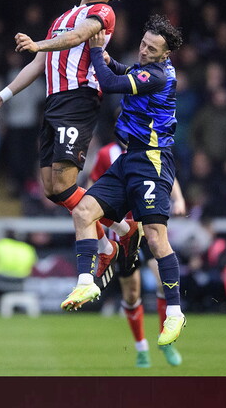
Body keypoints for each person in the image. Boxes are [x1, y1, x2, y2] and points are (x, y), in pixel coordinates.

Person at [0, 0, 133, 277]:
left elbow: (78, 37)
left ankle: (115, 237)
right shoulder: (61, 18)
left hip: (79, 99)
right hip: (54, 102)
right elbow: (37, 65)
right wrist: (2, 96)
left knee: (64, 182)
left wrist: (38, 43)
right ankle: (116, 238)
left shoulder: (103, 13)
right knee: (52, 189)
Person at [60, 14, 187, 349]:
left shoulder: (159, 75)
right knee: (84, 211)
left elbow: (113, 83)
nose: (144, 51)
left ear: (165, 55)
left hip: (152, 161)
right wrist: (106, 57)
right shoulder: (148, 68)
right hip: (130, 158)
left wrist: (97, 48)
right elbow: (124, 70)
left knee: (158, 239)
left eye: (152, 48)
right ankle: (87, 280)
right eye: (143, 44)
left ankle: (174, 311)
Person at [88, 137, 187, 368]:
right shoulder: (106, 154)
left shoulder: (151, 147)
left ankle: (166, 342)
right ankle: (141, 347)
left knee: (164, 281)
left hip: (147, 224)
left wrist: (179, 198)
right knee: (132, 294)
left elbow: (166, 174)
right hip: (122, 231)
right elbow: (95, 187)